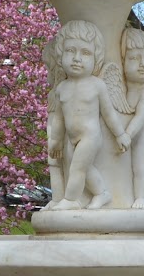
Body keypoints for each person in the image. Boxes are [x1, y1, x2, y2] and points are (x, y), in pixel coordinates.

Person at [46, 20, 130, 210]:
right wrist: (56, 140)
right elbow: (59, 118)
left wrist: (120, 134)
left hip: (90, 136)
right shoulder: (62, 88)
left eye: (85, 53)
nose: (77, 58)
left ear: (96, 59)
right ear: (61, 54)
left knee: (77, 168)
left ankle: (71, 200)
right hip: (71, 137)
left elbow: (108, 114)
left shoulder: (96, 85)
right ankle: (102, 193)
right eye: (70, 51)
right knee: (85, 168)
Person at [119, 27, 144, 209]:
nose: (143, 64)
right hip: (124, 137)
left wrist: (127, 134)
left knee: (141, 169)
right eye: (135, 58)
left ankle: (141, 198)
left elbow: (141, 117)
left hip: (142, 136)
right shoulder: (121, 86)